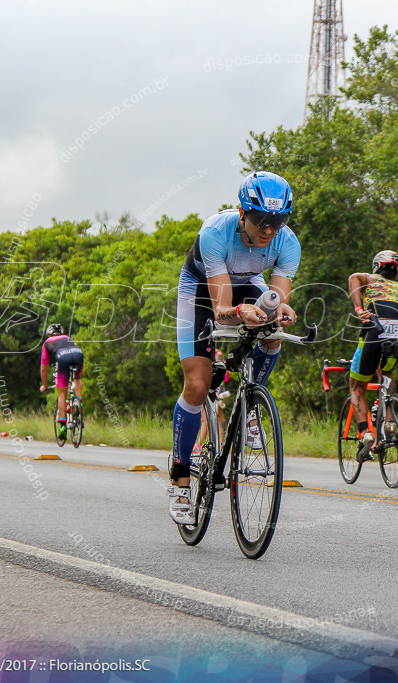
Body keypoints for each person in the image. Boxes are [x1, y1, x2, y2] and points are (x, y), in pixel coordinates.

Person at [169, 171, 300, 525]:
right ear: (242, 212)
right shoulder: (215, 233)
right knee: (197, 383)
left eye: (278, 221)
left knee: (271, 330)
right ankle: (180, 480)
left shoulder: (288, 243)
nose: (269, 230)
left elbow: (278, 297)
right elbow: (222, 310)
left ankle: (252, 400)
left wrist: (280, 310)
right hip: (200, 289)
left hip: (246, 283)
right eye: (261, 220)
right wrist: (241, 312)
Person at [347, 250, 398, 460]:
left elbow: (353, 277)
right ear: (397, 270)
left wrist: (358, 308)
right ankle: (390, 423)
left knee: (356, 386)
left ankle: (365, 434)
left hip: (373, 334)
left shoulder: (372, 279)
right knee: (387, 371)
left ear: (377, 267)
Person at [39, 323, 84, 441]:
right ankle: (79, 404)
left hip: (62, 357)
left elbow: (43, 368)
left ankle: (63, 426)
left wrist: (45, 385)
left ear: (49, 334)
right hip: (78, 354)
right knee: (77, 379)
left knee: (62, 393)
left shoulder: (47, 342)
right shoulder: (67, 338)